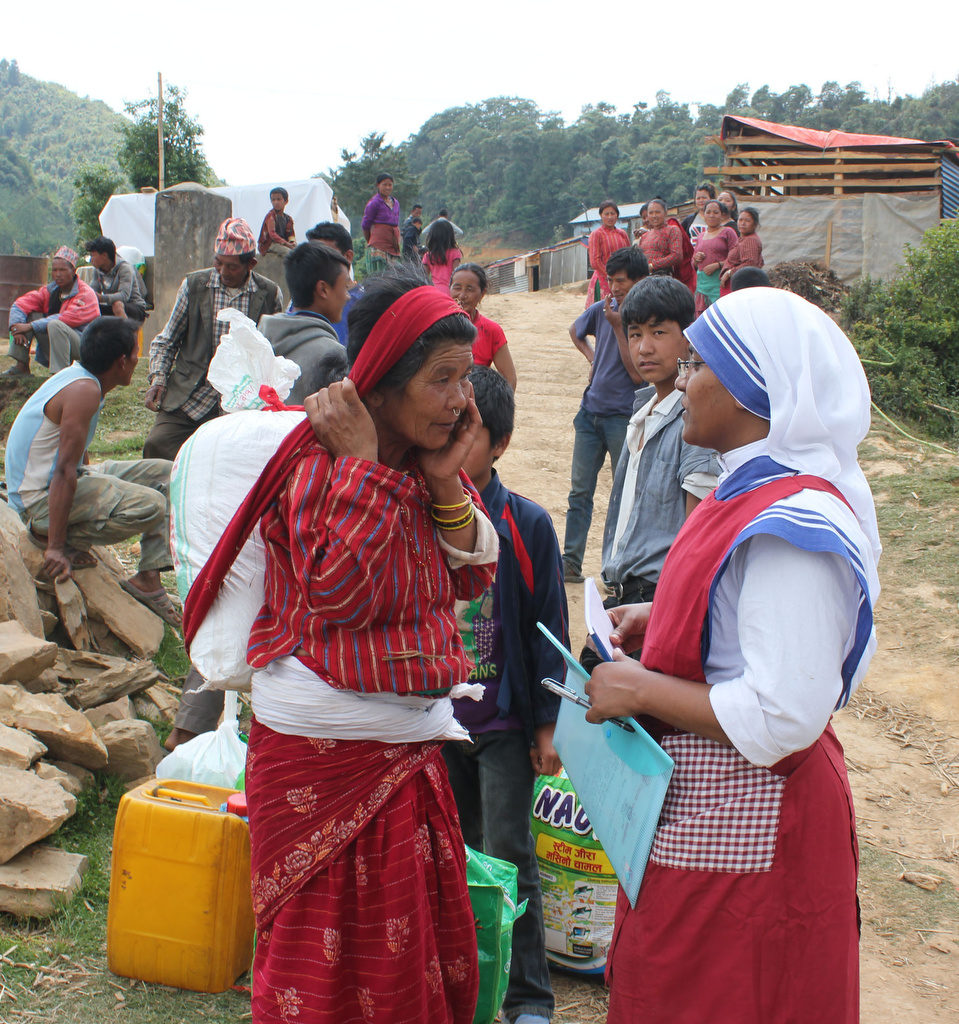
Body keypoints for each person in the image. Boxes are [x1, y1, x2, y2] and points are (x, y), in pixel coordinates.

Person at [202, 265, 498, 1022]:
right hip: (322, 770)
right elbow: (341, 596)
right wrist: (361, 469)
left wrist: (439, 484)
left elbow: (472, 576)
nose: (462, 400)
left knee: (405, 968)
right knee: (322, 971)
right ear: (383, 382)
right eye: (442, 380)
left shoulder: (419, 467)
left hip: (401, 763)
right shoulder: (314, 468)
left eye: (465, 378)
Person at [585, 287, 881, 1023]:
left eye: (696, 367)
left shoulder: (790, 526)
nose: (681, 382)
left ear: (754, 386)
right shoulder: (747, 489)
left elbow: (782, 715)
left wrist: (641, 690)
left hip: (754, 818)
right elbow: (747, 621)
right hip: (712, 812)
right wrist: (668, 615)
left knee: (733, 994)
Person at [445, 365, 567, 1024]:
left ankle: (527, 999)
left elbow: (548, 630)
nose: (451, 442)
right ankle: (468, 983)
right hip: (436, 726)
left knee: (508, 854)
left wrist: (546, 726)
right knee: (454, 852)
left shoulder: (526, 525)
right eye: (446, 426)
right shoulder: (419, 511)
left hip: (499, 725)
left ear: (499, 444)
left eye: (467, 432)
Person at [4, 317, 180, 622]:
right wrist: (57, 548)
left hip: (58, 481)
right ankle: (61, 538)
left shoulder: (83, 378)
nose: (139, 360)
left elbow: (73, 450)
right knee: (152, 505)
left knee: (168, 473)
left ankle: (148, 580)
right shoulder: (83, 390)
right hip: (37, 502)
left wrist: (97, 481)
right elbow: (63, 472)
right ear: (122, 362)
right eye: (137, 354)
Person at [588, 277, 719, 669]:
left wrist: (670, 609)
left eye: (659, 332)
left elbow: (699, 535)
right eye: (634, 334)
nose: (644, 347)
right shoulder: (642, 410)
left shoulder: (695, 421)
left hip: (658, 599)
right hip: (622, 597)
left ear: (688, 340)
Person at [142, 216, 283, 462]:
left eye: (232, 267)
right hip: (190, 394)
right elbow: (167, 340)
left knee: (230, 461)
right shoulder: (194, 286)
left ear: (251, 263)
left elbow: (274, 352)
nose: (223, 272)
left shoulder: (269, 295)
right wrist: (159, 379)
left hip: (240, 401)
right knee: (158, 445)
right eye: (218, 263)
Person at [562, 246, 649, 584]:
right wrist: (592, 358)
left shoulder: (640, 320)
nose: (614, 287)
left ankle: (616, 572)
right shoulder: (602, 309)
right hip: (590, 413)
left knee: (622, 495)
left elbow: (638, 376)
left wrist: (617, 327)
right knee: (579, 492)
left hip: (621, 419)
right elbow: (575, 331)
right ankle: (570, 563)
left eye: (621, 281)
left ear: (639, 281)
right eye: (610, 280)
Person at [258, 242, 351, 404]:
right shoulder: (333, 354)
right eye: (345, 287)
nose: (347, 296)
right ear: (323, 289)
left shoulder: (259, 339)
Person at [6, 246, 99, 376]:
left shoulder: (85, 294)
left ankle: (59, 376)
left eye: (62, 270)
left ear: (73, 271)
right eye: (55, 270)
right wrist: (16, 328)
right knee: (32, 314)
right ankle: (21, 366)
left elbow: (66, 318)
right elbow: (20, 304)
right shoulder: (50, 291)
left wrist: (29, 326)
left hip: (85, 347)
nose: (58, 274)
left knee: (55, 324)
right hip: (59, 345)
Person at [449, 263, 517, 390]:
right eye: (457, 288)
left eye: (470, 289)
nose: (462, 296)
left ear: (482, 293)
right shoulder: (436, 326)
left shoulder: (491, 331)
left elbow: (510, 379)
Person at [305, 221, 363, 346]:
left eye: (326, 256)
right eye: (313, 256)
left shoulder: (366, 304)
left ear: (348, 257)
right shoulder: (303, 301)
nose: (317, 263)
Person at [692, 199, 739, 316]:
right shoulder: (700, 235)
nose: (712, 215)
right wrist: (696, 259)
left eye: (715, 212)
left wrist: (718, 265)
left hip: (720, 283)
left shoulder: (728, 232)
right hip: (702, 285)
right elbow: (693, 263)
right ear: (704, 214)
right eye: (708, 212)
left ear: (722, 215)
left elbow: (737, 256)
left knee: (721, 316)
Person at [86, 236, 148, 321]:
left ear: (104, 255)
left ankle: (127, 333)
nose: (91, 259)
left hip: (134, 307)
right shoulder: (97, 270)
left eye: (93, 255)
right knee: (88, 308)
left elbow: (124, 296)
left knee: (117, 305)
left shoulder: (125, 268)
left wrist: (102, 298)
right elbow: (94, 289)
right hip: (112, 306)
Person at [585, 201, 631, 307]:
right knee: (605, 311)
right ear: (601, 216)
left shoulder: (622, 234)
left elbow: (629, 255)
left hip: (622, 279)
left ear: (617, 215)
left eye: (612, 214)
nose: (610, 217)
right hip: (603, 279)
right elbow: (595, 262)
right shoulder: (596, 234)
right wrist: (611, 276)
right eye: (606, 214)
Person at [361, 172, 402, 272]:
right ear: (378, 185)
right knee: (379, 276)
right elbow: (366, 225)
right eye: (385, 184)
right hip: (379, 247)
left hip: (393, 246)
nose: (388, 187)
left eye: (390, 185)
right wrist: (371, 241)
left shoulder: (395, 203)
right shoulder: (374, 203)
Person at [720, 207, 765, 294]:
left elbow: (750, 263)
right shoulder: (743, 238)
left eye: (747, 221)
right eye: (740, 220)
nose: (743, 223)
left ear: (755, 224)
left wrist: (729, 272)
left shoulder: (750, 240)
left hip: (740, 286)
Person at [638, 200, 685, 279]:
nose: (654, 216)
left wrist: (653, 265)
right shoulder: (644, 236)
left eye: (657, 212)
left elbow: (677, 256)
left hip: (664, 277)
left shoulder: (672, 230)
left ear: (665, 213)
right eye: (651, 213)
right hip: (644, 278)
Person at [421, 220, 462, 293]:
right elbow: (457, 275)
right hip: (450, 291)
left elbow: (424, 278)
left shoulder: (427, 256)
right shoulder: (455, 253)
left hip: (434, 292)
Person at [258, 187, 296, 256]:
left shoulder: (288, 219)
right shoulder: (271, 216)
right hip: (270, 244)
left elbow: (291, 234)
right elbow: (272, 234)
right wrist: (287, 244)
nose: (276, 202)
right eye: (273, 200)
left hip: (283, 243)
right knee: (289, 253)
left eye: (278, 199)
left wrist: (292, 242)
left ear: (286, 201)